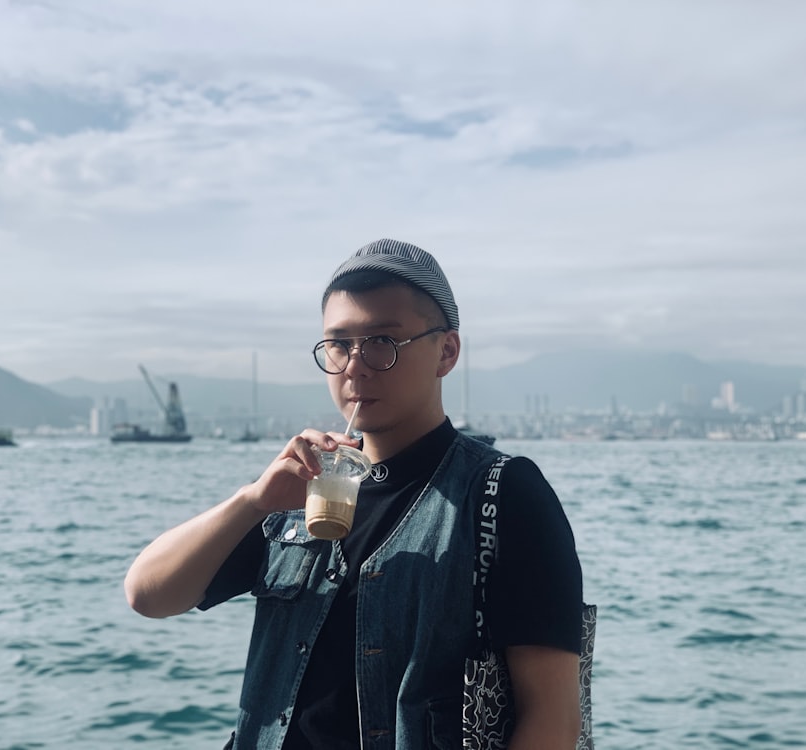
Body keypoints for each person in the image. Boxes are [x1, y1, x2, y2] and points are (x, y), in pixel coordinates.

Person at [124, 238, 584, 749]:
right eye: (339, 344)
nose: (355, 366)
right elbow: (148, 595)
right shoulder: (299, 493)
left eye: (384, 341)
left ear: (446, 352)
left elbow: (553, 721)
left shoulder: (502, 494)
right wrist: (252, 501)